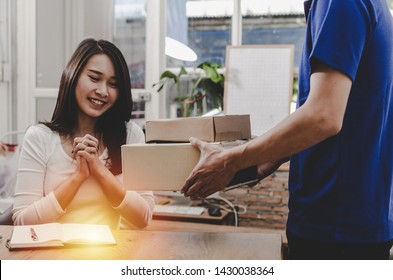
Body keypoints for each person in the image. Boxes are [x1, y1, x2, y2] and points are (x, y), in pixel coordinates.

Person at [181, 0, 393, 259]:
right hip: (357, 222)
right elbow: (345, 116)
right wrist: (266, 159)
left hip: (333, 229)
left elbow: (323, 116)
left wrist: (231, 161)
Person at [12, 38, 154, 230]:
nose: (103, 91)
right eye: (94, 78)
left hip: (110, 256)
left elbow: (143, 218)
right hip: (49, 256)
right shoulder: (39, 137)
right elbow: (22, 221)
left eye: (113, 84)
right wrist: (77, 177)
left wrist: (99, 171)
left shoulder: (130, 135)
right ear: (73, 75)